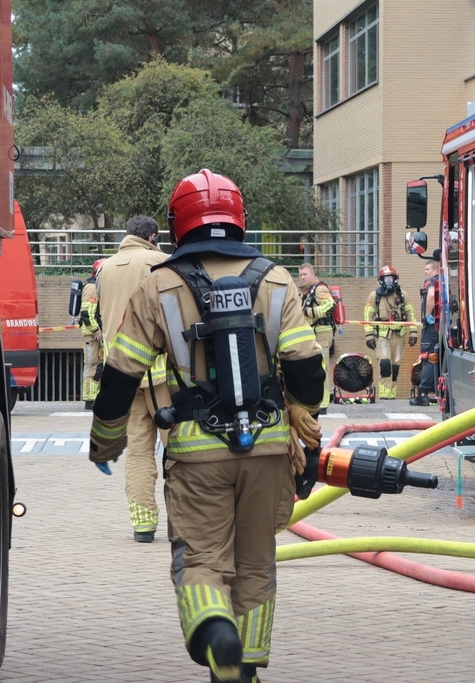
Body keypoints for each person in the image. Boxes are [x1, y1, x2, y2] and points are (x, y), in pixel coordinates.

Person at [89, 169, 325, 683]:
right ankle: (244, 671)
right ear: (238, 220)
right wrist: (305, 419)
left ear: (178, 225)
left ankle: (215, 631)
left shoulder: (161, 285)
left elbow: (120, 374)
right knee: (257, 564)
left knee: (201, 562)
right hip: (267, 450)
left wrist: (104, 443)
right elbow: (307, 367)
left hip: (198, 457)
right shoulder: (278, 279)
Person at [96, 215, 169, 542]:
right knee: (183, 451)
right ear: (152, 236)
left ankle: (143, 524)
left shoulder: (105, 269)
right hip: (164, 375)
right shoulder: (160, 262)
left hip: (124, 378)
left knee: (138, 452)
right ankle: (186, 522)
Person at [363, 265, 416, 399]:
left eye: (390, 278)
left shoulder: (403, 295)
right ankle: (385, 393)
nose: (389, 282)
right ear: (381, 280)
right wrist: (369, 335)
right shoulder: (375, 295)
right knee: (385, 363)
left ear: (395, 279)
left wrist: (413, 332)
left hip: (399, 335)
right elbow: (368, 315)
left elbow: (410, 314)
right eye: (386, 279)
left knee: (396, 364)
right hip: (382, 336)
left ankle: (392, 393)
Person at [298, 263, 334, 414]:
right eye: (300, 275)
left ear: (312, 274)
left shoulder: (320, 289)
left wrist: (309, 311)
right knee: (313, 367)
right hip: (312, 332)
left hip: (322, 331)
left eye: (305, 274)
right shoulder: (306, 292)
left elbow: (329, 306)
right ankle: (316, 401)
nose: (302, 277)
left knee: (322, 366)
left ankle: (323, 404)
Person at [411, 257, 441, 406]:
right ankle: (438, 391)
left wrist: (429, 315)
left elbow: (430, 295)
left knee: (428, 357)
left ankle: (422, 393)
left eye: (427, 269)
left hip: (431, 327)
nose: (425, 272)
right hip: (441, 326)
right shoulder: (444, 281)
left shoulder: (431, 282)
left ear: (435, 270)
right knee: (437, 358)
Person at [78, 258, 106, 409]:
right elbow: (86, 314)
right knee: (91, 366)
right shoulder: (92, 288)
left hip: (98, 335)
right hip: (93, 336)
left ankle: (95, 398)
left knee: (98, 367)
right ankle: (89, 401)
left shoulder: (97, 286)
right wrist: (97, 331)